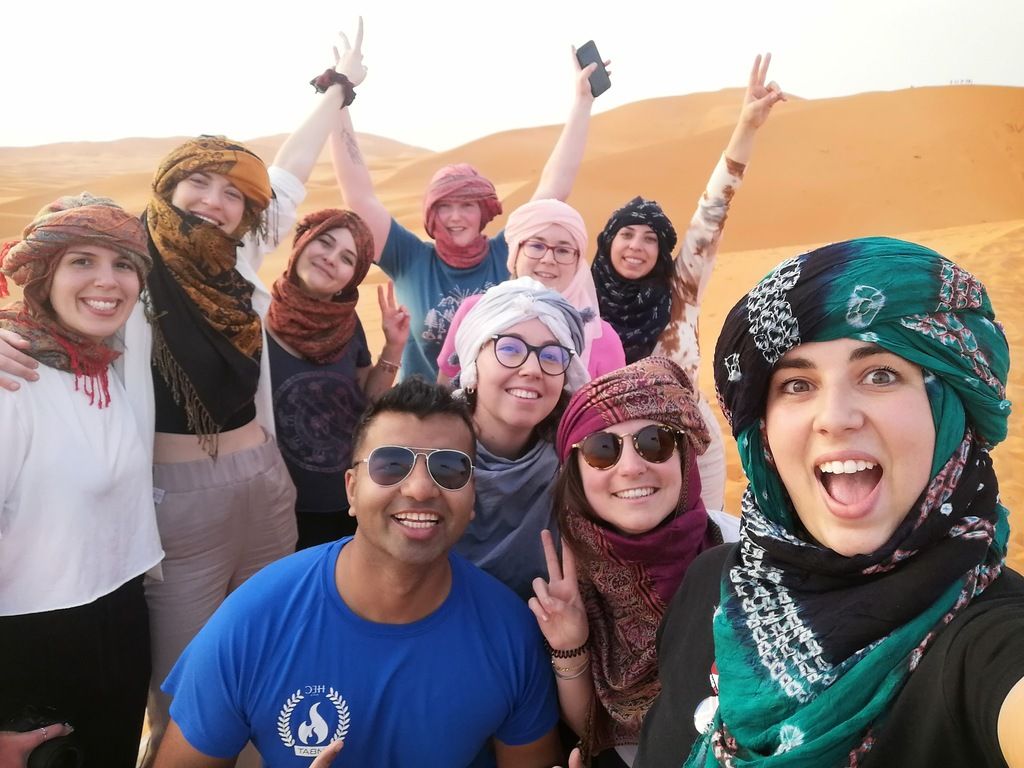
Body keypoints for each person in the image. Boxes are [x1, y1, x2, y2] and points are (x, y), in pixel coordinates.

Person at [635, 237, 1024, 768]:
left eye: (881, 375)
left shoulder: (985, 642)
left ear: (949, 407)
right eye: (797, 384)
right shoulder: (710, 584)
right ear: (763, 431)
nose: (836, 417)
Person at [152, 378, 563, 768]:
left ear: (472, 497)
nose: (420, 489)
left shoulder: (509, 633)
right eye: (391, 465)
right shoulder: (254, 621)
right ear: (351, 488)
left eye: (450, 468)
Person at [329, 19, 606, 381]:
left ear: (483, 211)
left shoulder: (508, 253)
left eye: (467, 205)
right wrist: (339, 94)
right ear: (431, 214)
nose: (455, 216)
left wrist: (583, 102)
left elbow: (554, 187)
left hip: (496, 408)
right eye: (444, 206)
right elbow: (359, 195)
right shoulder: (409, 259)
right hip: (421, 409)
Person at [0, 194, 162, 767]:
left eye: (124, 264)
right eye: (81, 261)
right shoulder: (12, 380)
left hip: (121, 621)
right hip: (32, 649)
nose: (107, 281)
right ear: (44, 274)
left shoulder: (103, 360)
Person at [591, 54, 785, 514]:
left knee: (705, 533)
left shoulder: (680, 290)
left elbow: (713, 211)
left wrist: (746, 126)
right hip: (609, 451)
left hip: (690, 441)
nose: (636, 246)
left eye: (650, 239)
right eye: (627, 234)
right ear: (608, 241)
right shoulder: (582, 300)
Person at [530, 358, 736, 767]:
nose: (631, 468)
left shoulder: (741, 552)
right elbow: (592, 729)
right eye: (602, 450)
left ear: (684, 456)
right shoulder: (571, 580)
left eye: (655, 442)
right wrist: (570, 647)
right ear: (576, 471)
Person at [267, 208, 409, 548]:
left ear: (352, 277)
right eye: (325, 243)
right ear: (302, 242)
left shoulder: (348, 323)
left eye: (347, 259)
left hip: (347, 499)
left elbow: (367, 400)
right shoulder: (256, 316)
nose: (331, 259)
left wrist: (394, 345)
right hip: (277, 505)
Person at [450, 277, 589, 600]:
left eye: (551, 356)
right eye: (510, 349)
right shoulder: (425, 453)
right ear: (473, 362)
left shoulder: (582, 464)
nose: (532, 369)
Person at [438, 199, 626, 385]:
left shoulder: (602, 338)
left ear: (577, 262)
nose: (548, 259)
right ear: (516, 252)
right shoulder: (475, 310)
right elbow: (445, 393)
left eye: (563, 250)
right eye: (537, 246)